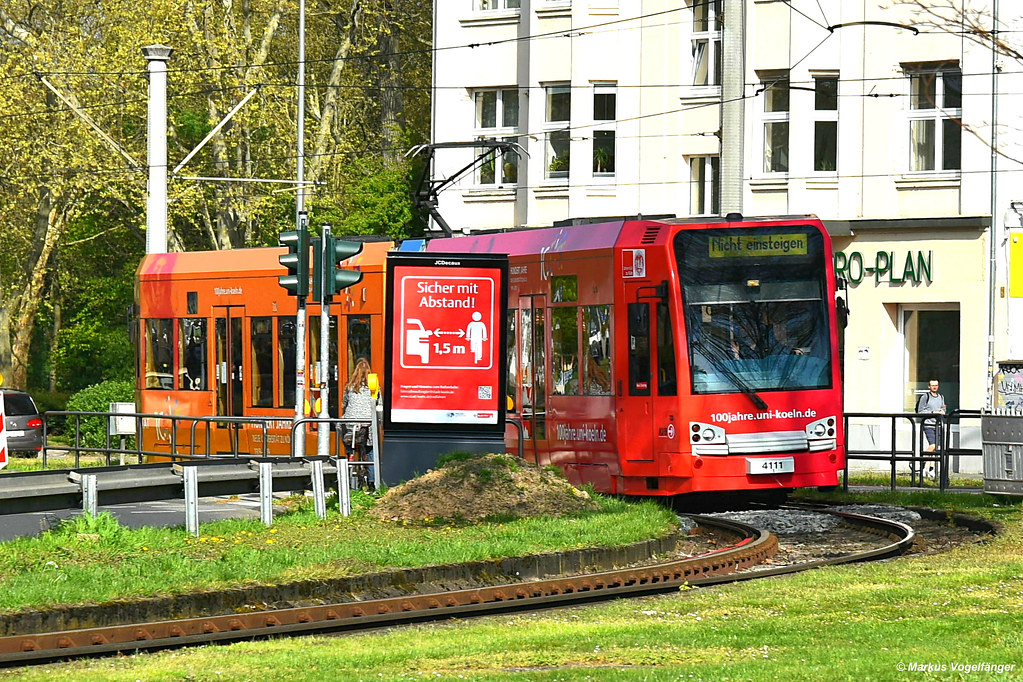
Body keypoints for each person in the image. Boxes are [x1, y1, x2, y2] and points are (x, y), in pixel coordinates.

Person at [342, 357, 377, 488]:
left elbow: (344, 404)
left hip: (351, 426)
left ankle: (349, 461)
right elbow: (379, 404)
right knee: (370, 450)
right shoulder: (374, 388)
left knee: (349, 444)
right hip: (367, 426)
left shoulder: (349, 386)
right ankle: (372, 482)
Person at [916, 379, 946, 453]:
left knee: (936, 447)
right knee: (933, 445)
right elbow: (920, 411)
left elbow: (943, 408)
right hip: (928, 424)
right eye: (932, 385)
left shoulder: (941, 397)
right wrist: (933, 412)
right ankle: (923, 459)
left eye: (936, 385)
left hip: (938, 425)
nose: (934, 387)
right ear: (929, 386)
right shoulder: (925, 397)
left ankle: (931, 464)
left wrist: (943, 411)